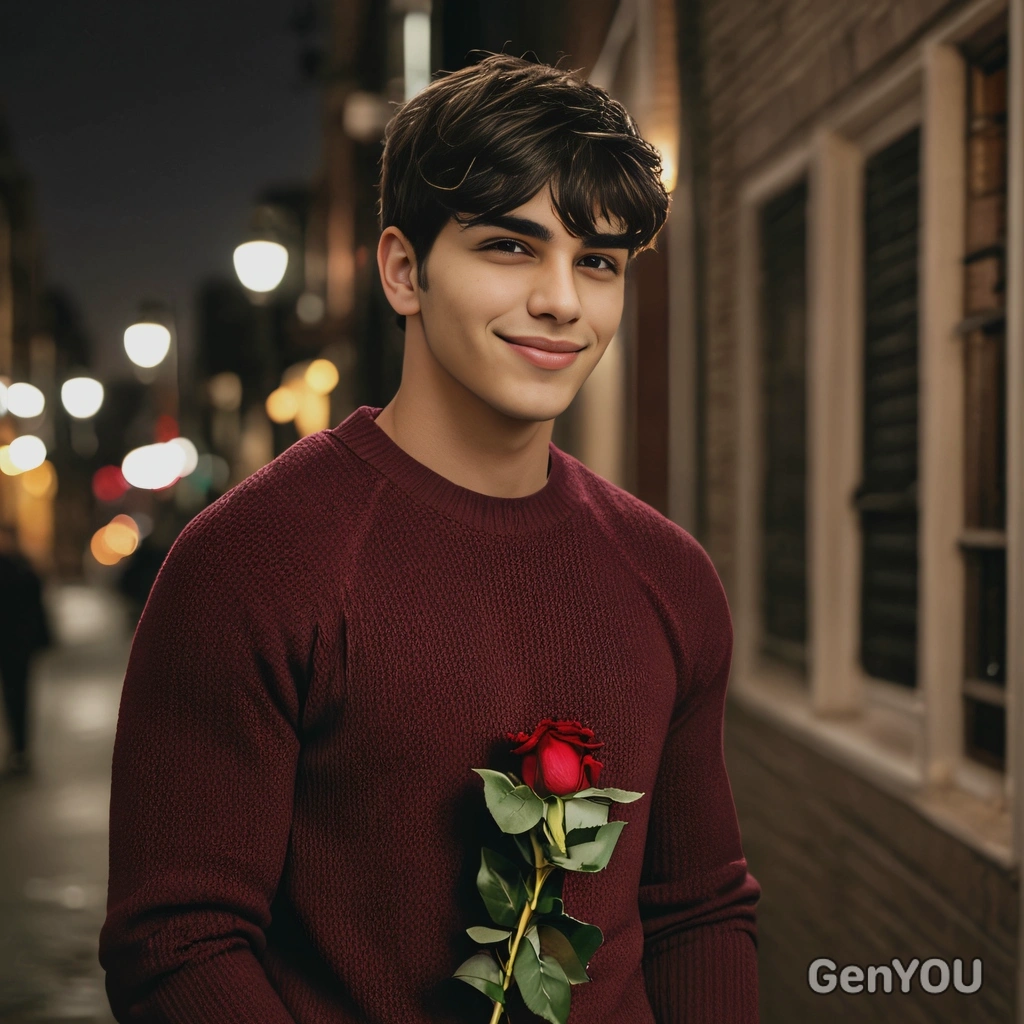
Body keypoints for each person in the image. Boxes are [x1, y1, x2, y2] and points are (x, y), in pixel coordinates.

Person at [99, 54, 760, 1023]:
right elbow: (176, 944)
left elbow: (697, 910)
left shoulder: (670, 576)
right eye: (510, 247)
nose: (562, 302)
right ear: (403, 270)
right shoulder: (247, 564)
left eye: (598, 263)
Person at [0, 522, 53, 775]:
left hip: (16, 645)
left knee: (17, 696)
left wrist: (41, 638)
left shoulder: (23, 568)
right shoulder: (24, 567)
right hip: (16, 642)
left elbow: (37, 608)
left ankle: (20, 749)